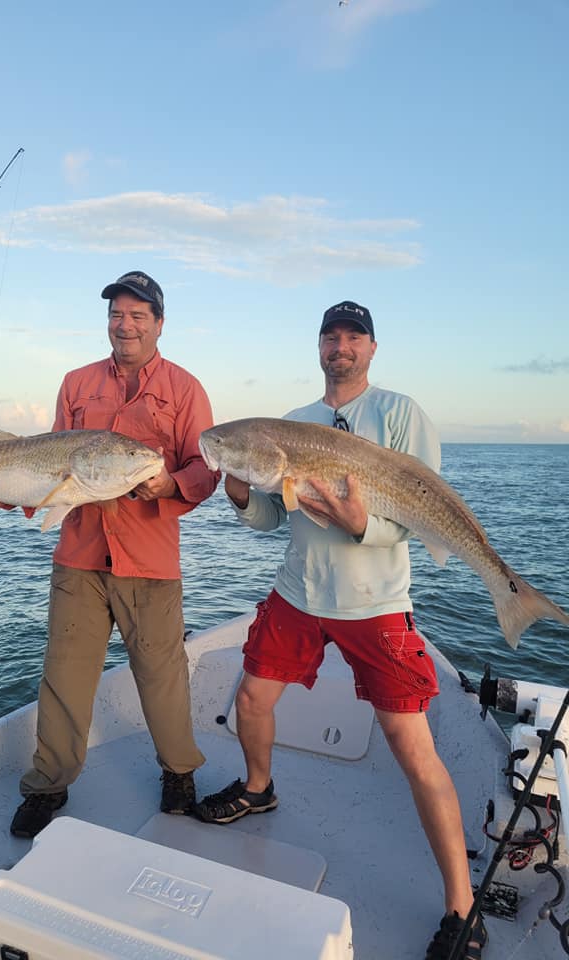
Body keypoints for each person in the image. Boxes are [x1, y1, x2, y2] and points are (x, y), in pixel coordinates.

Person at [193, 301, 486, 960]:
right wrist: (240, 494)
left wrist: (361, 524)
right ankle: (259, 788)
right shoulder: (292, 424)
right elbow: (273, 518)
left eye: (353, 336)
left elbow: (423, 511)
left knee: (410, 746)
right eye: (331, 335)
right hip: (299, 592)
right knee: (249, 700)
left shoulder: (403, 415)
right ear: (319, 346)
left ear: (372, 348)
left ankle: (462, 909)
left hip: (376, 602)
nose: (341, 346)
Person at [0, 270, 219, 838]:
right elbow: (41, 468)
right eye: (116, 315)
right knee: (64, 677)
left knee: (163, 676)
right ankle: (47, 786)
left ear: (159, 323)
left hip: (150, 561)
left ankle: (179, 773)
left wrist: (168, 486)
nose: (124, 325)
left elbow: (205, 469)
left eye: (137, 315)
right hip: (78, 556)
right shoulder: (76, 383)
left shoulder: (185, 388)